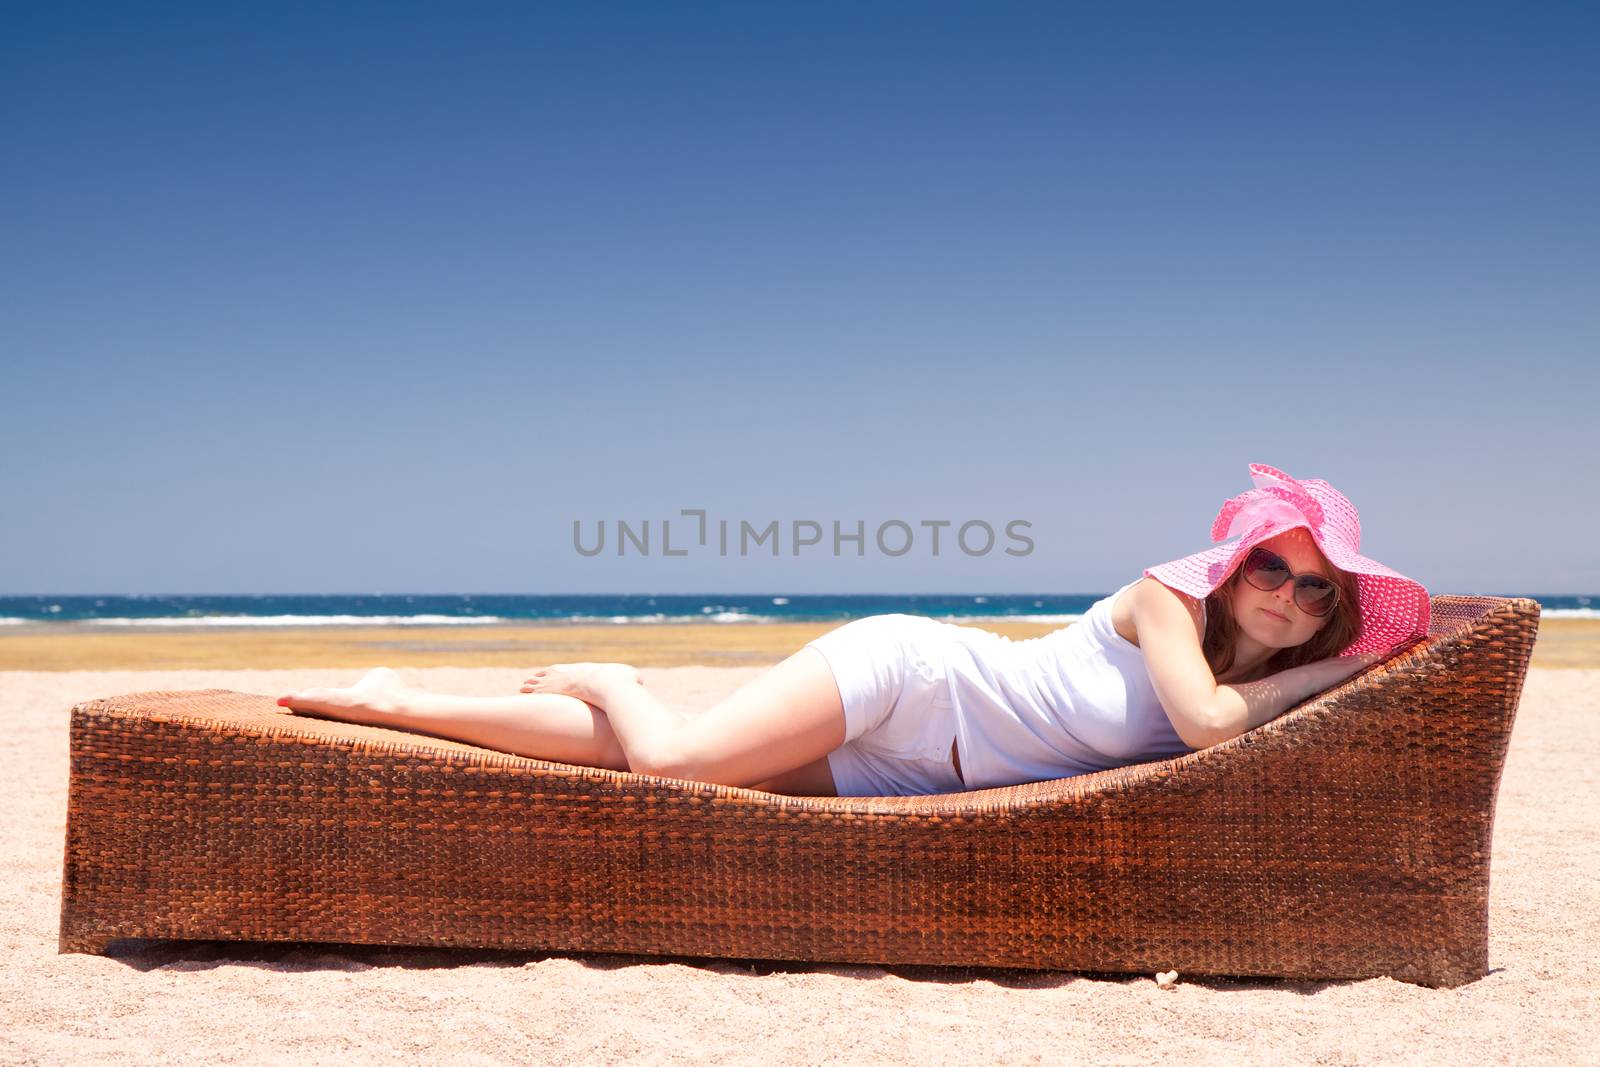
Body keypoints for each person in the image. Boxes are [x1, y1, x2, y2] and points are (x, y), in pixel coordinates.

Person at [277, 463, 1430, 797]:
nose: (1285, 590)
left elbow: (1231, 726)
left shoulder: (1251, 664)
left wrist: (1325, 672)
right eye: (1268, 566)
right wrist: (1323, 673)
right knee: (675, 759)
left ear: (1333, 604)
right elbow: (1210, 726)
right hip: (914, 682)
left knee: (677, 771)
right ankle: (611, 669)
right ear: (1228, 571)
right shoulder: (1163, 601)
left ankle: (399, 703)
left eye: (1315, 587)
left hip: (926, 771)